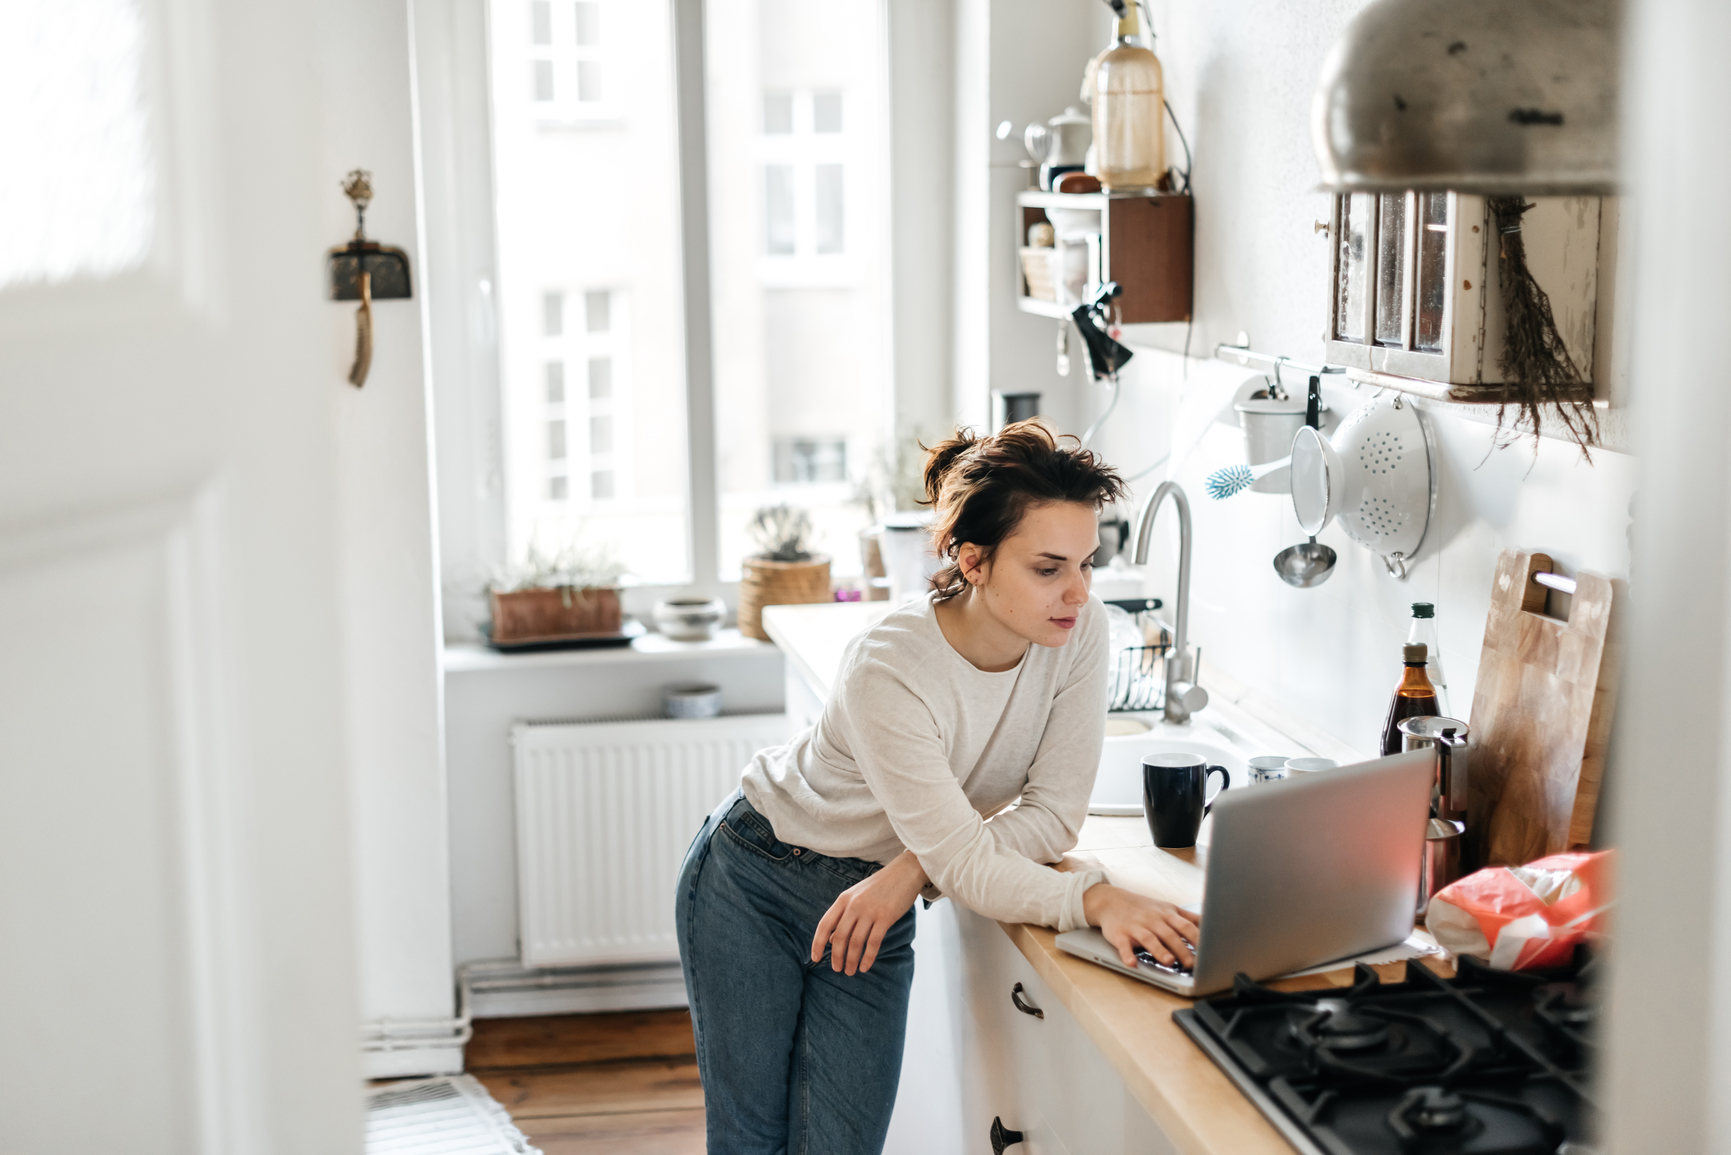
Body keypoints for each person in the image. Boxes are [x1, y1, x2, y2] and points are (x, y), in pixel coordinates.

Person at [675, 420, 1200, 1155]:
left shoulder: (1078, 631)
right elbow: (970, 863)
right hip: (755, 877)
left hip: (875, 900)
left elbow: (1052, 815)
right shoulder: (890, 668)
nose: (1077, 591)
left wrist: (909, 871)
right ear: (973, 560)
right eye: (1048, 567)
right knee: (751, 1139)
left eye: (1085, 563)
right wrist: (1092, 897)